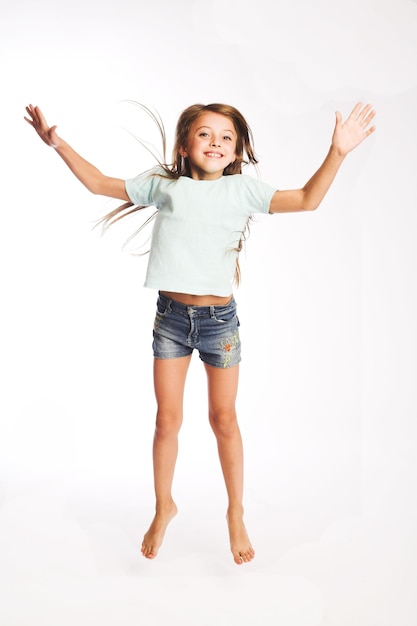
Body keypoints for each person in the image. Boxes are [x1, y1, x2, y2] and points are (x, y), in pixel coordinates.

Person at [24, 100, 376, 565]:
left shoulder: (242, 193)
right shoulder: (165, 188)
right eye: (205, 134)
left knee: (223, 419)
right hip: (170, 319)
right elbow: (98, 183)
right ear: (185, 145)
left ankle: (235, 512)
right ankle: (163, 505)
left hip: (218, 325)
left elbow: (308, 199)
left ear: (236, 152)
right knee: (166, 420)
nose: (216, 143)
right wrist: (58, 143)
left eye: (226, 137)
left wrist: (338, 152)